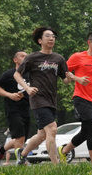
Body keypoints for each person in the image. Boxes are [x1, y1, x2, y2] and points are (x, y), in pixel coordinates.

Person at [11, 27, 68, 165]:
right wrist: (27, 88)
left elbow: (65, 79)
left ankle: (22, 154)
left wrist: (72, 77)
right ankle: (56, 165)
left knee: (42, 134)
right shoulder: (32, 58)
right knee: (52, 129)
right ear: (40, 40)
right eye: (48, 36)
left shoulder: (58, 59)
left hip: (51, 100)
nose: (51, 38)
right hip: (37, 98)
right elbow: (16, 74)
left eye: (53, 36)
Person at [58, 32, 92, 163]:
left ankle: (63, 151)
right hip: (80, 97)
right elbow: (64, 71)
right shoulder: (77, 57)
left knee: (86, 132)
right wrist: (77, 78)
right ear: (89, 42)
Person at [0, 51, 30, 165]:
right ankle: (21, 161)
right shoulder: (9, 74)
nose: (25, 58)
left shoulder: (30, 75)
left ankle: (1, 149)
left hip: (26, 109)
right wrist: (10, 95)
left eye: (27, 56)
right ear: (15, 60)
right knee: (20, 136)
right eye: (22, 56)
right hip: (12, 109)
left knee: (21, 138)